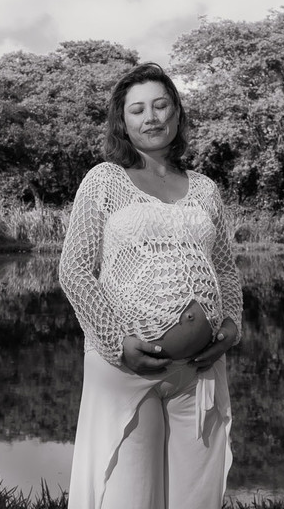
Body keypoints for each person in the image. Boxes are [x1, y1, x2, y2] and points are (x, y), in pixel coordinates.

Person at [59, 62, 243, 509]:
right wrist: (117, 342)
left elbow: (225, 269)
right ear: (122, 122)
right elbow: (75, 270)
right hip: (126, 369)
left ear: (177, 113)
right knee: (129, 498)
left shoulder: (205, 189)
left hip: (199, 370)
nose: (151, 117)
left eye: (161, 106)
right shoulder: (104, 181)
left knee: (195, 500)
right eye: (137, 109)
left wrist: (232, 326)